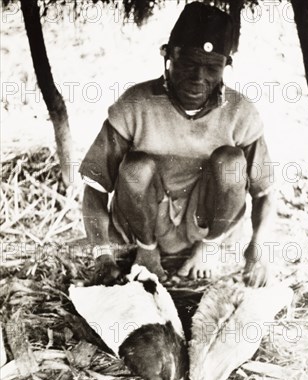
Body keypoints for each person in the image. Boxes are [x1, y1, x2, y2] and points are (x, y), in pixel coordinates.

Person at [80, 1, 276, 287]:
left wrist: (258, 250)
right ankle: (147, 253)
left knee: (231, 162)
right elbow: (95, 187)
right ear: (168, 56)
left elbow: (265, 193)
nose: (198, 78)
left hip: (206, 225)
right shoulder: (135, 104)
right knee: (136, 167)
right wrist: (103, 257)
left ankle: (208, 250)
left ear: (226, 66)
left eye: (212, 67)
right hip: (144, 224)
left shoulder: (240, 112)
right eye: (188, 63)